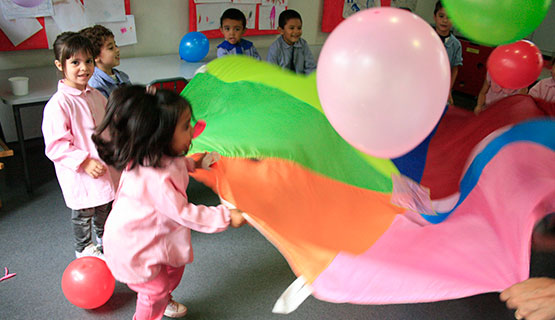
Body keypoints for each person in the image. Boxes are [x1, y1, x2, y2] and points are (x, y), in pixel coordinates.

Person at [92, 85, 247, 319]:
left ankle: (165, 297)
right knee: (154, 290)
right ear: (161, 136)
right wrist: (226, 216)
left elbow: (175, 163)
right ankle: (153, 307)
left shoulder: (160, 154)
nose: (192, 131)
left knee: (174, 267)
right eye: (186, 127)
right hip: (134, 246)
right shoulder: (154, 179)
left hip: (156, 235)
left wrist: (194, 163)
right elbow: (185, 213)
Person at [42, 32, 115, 259]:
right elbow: (56, 145)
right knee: (84, 212)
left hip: (104, 164)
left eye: (88, 61)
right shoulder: (59, 104)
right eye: (75, 62)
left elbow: (109, 125)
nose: (84, 68)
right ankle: (83, 248)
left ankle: (107, 240)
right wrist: (84, 161)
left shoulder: (96, 95)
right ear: (60, 64)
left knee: (106, 205)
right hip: (81, 171)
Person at [80, 24, 131, 98]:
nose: (117, 50)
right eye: (111, 48)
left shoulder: (122, 76)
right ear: (95, 56)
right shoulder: (95, 84)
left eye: (115, 45)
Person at [267, 9, 316, 74]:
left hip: (300, 81)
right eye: (292, 28)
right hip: (282, 82)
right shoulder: (275, 48)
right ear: (281, 30)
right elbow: (271, 73)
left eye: (299, 28)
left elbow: (311, 68)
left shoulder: (303, 44)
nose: (296, 32)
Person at [433, 1, 462, 105]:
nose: (445, 20)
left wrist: (448, 90)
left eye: (449, 17)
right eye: (441, 16)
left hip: (441, 86)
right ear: (435, 17)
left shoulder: (456, 44)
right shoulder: (426, 37)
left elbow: (454, 68)